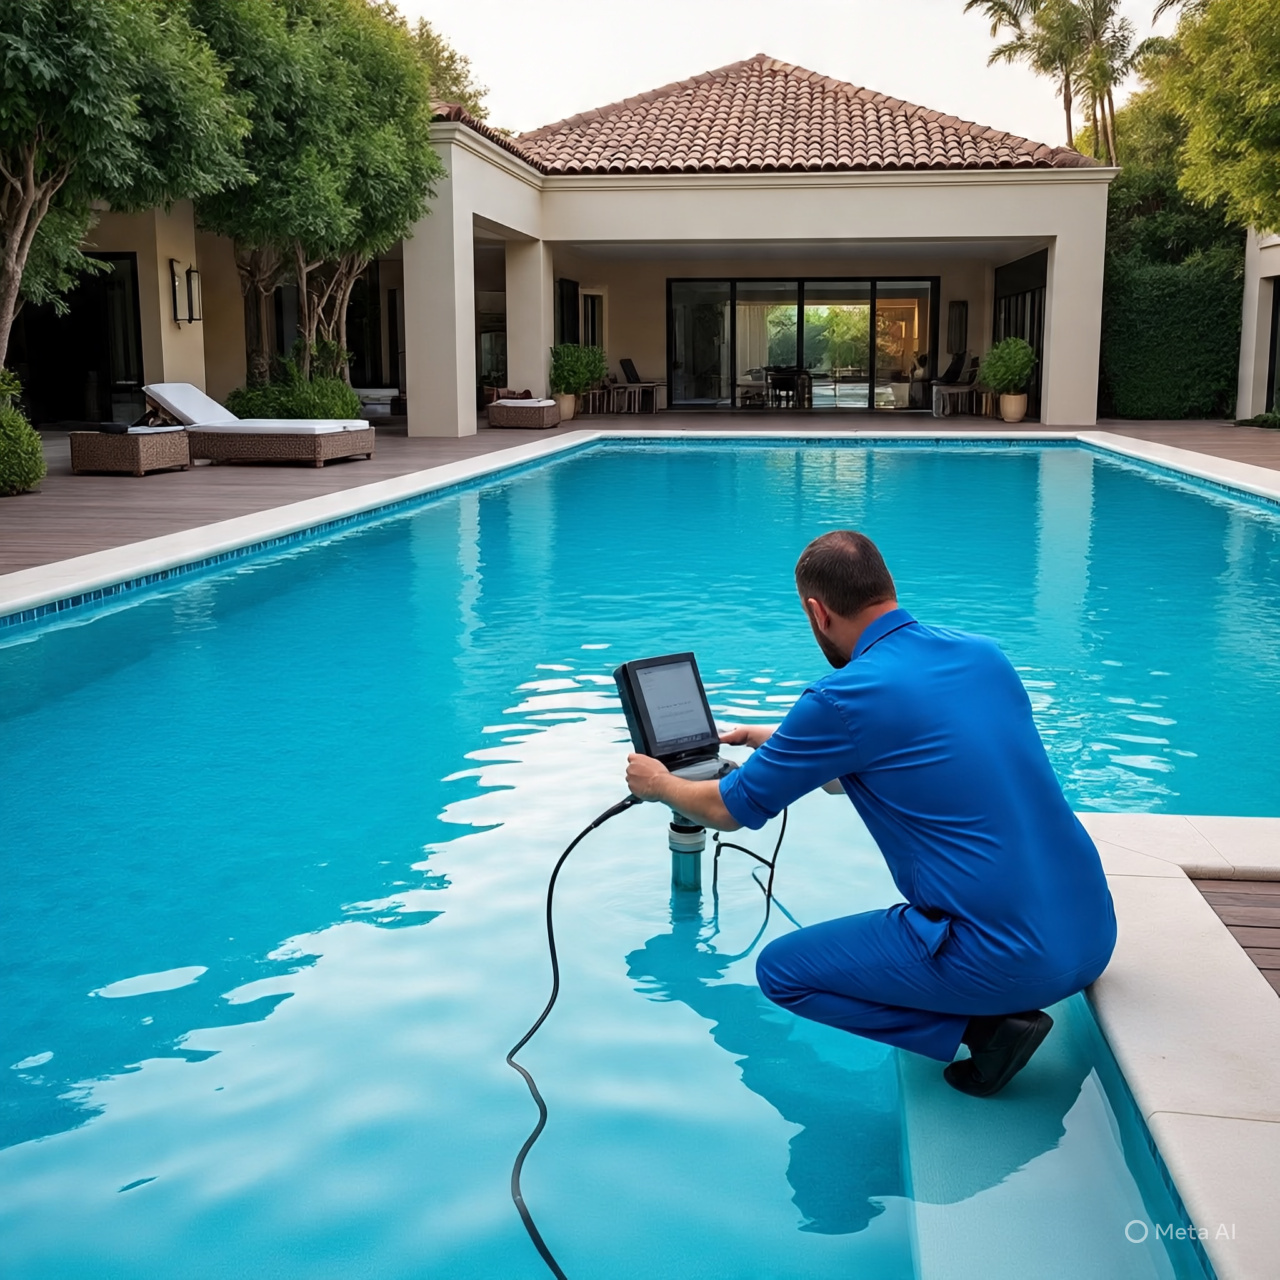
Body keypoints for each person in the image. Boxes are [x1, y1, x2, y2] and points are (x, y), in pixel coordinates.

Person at [624, 530, 1117, 1097]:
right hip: (1092, 934)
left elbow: (727, 809)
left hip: (1010, 961)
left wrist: (658, 783)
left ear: (817, 612)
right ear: (888, 588)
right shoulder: (982, 655)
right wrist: (778, 742)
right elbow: (907, 752)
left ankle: (986, 1029)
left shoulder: (842, 697)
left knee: (783, 973)